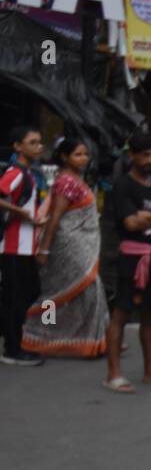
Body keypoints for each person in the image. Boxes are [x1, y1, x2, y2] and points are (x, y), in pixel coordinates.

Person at [103, 132, 151, 392]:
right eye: (144, 155)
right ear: (132, 155)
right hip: (132, 257)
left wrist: (147, 216)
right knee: (121, 314)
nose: (149, 160)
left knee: (150, 315)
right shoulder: (123, 185)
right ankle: (113, 374)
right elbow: (130, 223)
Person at [21, 137, 109, 358]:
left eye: (85, 154)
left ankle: (95, 338)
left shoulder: (77, 179)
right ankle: (40, 334)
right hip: (67, 246)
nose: (83, 159)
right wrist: (44, 250)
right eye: (78, 155)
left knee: (89, 290)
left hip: (82, 244)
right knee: (56, 294)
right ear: (64, 157)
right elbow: (55, 217)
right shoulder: (66, 182)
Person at [0, 125, 48, 366]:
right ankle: (12, 349)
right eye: (32, 142)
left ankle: (12, 340)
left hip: (24, 246)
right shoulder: (16, 172)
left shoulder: (29, 173)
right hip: (13, 247)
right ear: (18, 146)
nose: (38, 146)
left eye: (39, 142)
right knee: (17, 297)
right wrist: (21, 213)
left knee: (26, 293)